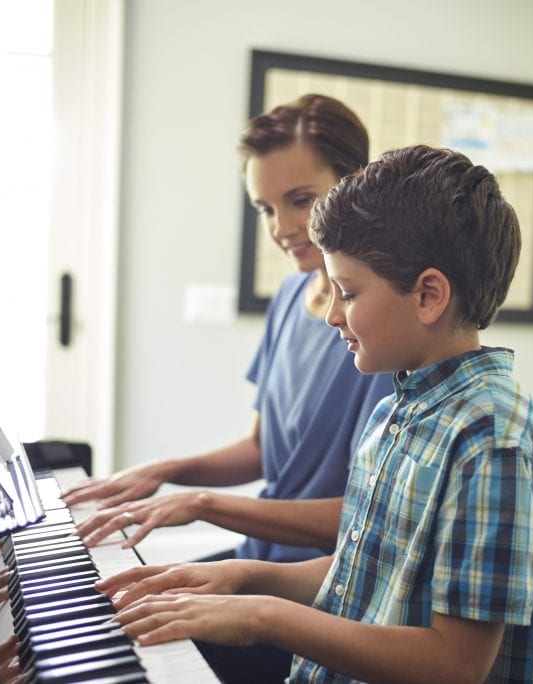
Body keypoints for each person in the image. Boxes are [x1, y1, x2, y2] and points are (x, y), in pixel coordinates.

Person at [95, 145, 533, 683]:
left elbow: (454, 665)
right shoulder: (393, 411)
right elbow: (360, 576)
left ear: (429, 295)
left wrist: (264, 616)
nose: (332, 316)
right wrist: (244, 575)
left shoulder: (493, 440)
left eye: (348, 292)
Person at [61, 95, 394, 564]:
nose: (281, 228)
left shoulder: (383, 326)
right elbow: (261, 450)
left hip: (322, 580)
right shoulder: (289, 298)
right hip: (260, 551)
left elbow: (370, 516)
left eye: (300, 201)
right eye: (265, 209)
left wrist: (203, 504)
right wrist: (164, 470)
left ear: (354, 184)